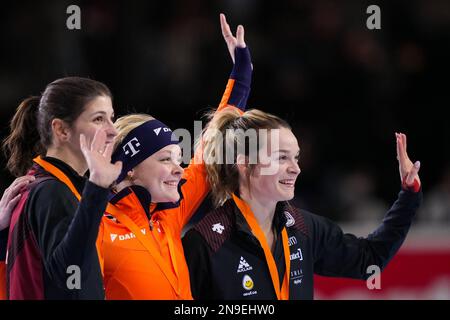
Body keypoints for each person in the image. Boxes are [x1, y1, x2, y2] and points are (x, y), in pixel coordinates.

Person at [182, 108, 423, 300]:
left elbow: (369, 259)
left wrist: (409, 195)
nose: (296, 168)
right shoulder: (204, 243)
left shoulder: (302, 227)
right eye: (281, 157)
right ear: (244, 165)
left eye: (295, 157)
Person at [98, 13, 252, 299]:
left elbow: (212, 143)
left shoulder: (169, 213)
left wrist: (241, 76)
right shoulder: (96, 225)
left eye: (178, 158)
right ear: (129, 167)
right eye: (165, 159)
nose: (179, 170)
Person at [1, 77, 122, 299]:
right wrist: (97, 188)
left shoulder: (45, 185)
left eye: (111, 118)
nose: (113, 131)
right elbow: (69, 274)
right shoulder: (52, 191)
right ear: (61, 130)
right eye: (98, 119)